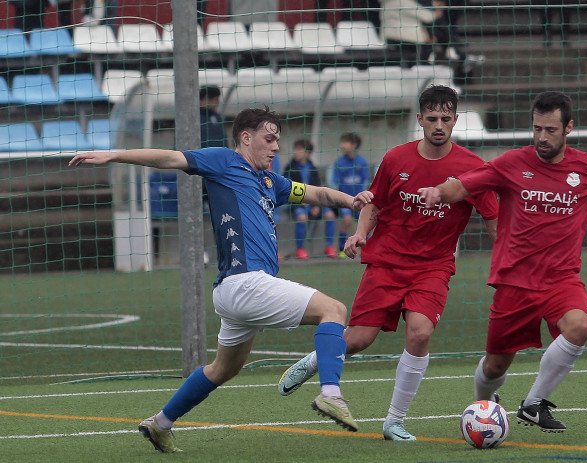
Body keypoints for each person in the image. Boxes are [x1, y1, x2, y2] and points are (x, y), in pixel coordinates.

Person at [69, 107, 373, 453]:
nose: (275, 148)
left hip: (232, 291)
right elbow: (169, 159)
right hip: (246, 283)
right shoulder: (226, 162)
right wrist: (114, 155)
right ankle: (331, 394)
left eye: (277, 141)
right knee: (333, 309)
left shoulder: (271, 182)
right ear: (246, 138)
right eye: (269, 139)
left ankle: (160, 423)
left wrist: (353, 200)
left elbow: (316, 193)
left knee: (222, 369)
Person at [277, 85, 499, 441]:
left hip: (434, 266)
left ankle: (394, 421)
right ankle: (317, 359)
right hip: (387, 261)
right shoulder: (396, 159)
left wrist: (505, 261)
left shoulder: (474, 168)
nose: (439, 125)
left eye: (446, 118)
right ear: (419, 120)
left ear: (456, 120)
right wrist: (359, 234)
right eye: (431, 118)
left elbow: (493, 218)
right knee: (360, 339)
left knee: (421, 331)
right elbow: (373, 204)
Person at [419, 91, 587, 432]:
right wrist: (438, 192)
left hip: (561, 279)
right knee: (495, 366)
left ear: (568, 127)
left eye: (550, 130)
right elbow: (463, 186)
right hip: (514, 281)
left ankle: (533, 404)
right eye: (537, 128)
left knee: (580, 325)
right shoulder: (511, 163)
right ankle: (484, 403)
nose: (541, 137)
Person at [282, 139, 338, 260]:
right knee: (301, 217)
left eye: (299, 150)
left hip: (313, 203)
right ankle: (300, 249)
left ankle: (329, 247)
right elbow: (285, 188)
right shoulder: (289, 168)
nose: (296, 152)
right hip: (296, 203)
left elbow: (317, 188)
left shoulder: (312, 167)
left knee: (329, 214)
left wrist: (316, 205)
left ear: (307, 153)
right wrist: (301, 201)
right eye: (295, 150)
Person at [332, 132, 372, 257]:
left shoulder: (362, 162)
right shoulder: (339, 162)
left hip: (361, 200)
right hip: (345, 200)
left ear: (354, 145)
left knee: (367, 222)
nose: (342, 145)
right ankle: (341, 249)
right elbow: (335, 183)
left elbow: (366, 181)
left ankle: (369, 247)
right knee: (347, 220)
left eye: (345, 142)